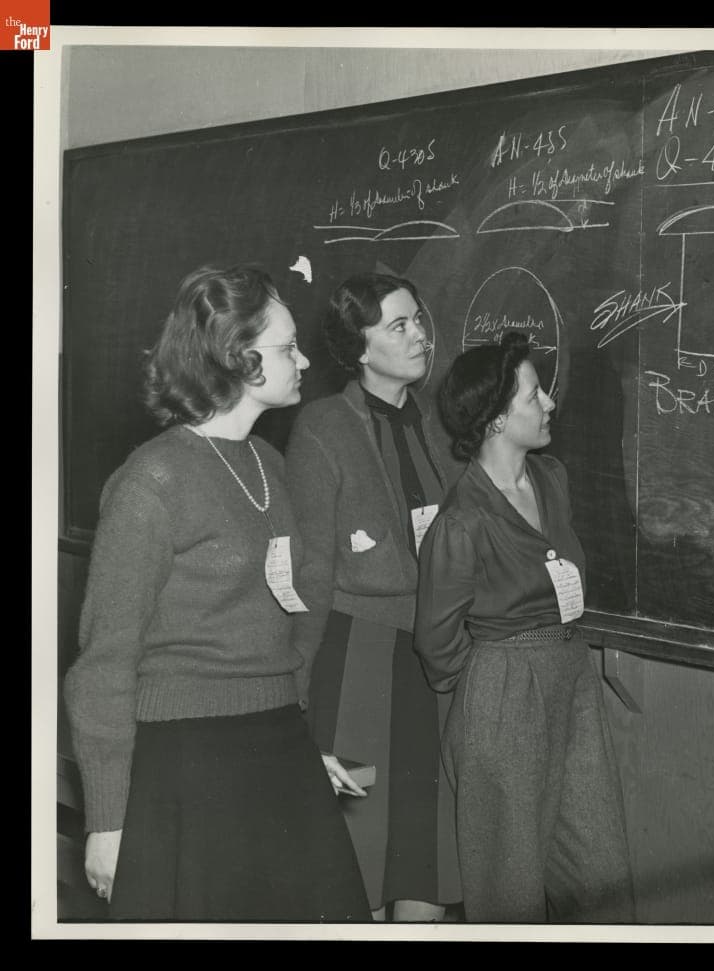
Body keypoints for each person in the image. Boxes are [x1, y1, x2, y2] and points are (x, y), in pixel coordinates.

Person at [63, 264, 370, 921]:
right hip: (188, 760)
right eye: (289, 348)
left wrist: (301, 742)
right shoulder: (153, 481)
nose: (306, 359)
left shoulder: (271, 465)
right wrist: (108, 821)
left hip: (275, 741)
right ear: (238, 360)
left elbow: (277, 626)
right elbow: (103, 666)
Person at [413, 331, 635, 923]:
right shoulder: (461, 522)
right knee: (508, 886)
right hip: (504, 692)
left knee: (601, 875)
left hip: (573, 680)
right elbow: (436, 642)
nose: (550, 405)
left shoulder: (552, 478)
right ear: (493, 419)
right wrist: (495, 679)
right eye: (535, 397)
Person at [286, 272, 460, 921]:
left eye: (417, 319)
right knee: (356, 853)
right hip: (353, 672)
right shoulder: (323, 427)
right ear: (359, 348)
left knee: (424, 861)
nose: (419, 334)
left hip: (432, 669)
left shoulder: (439, 423)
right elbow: (311, 576)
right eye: (398, 325)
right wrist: (297, 704)